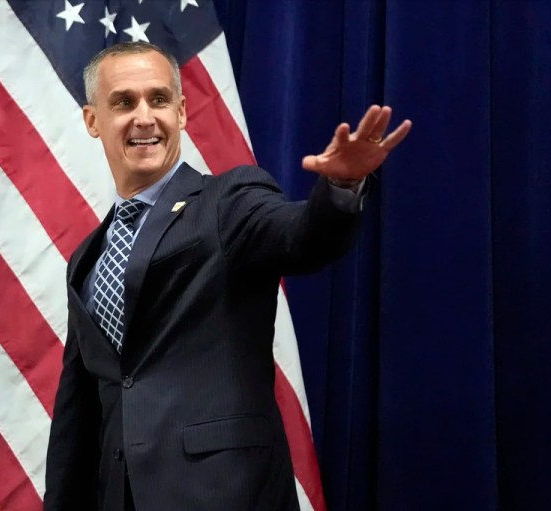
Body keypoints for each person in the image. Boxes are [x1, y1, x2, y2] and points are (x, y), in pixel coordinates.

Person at [45, 42, 411, 511]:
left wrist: (340, 187)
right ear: (93, 120)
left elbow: (301, 236)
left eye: (159, 99)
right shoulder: (87, 258)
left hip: (224, 493)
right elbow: (78, 411)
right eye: (124, 102)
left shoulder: (228, 201)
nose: (144, 117)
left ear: (181, 112)